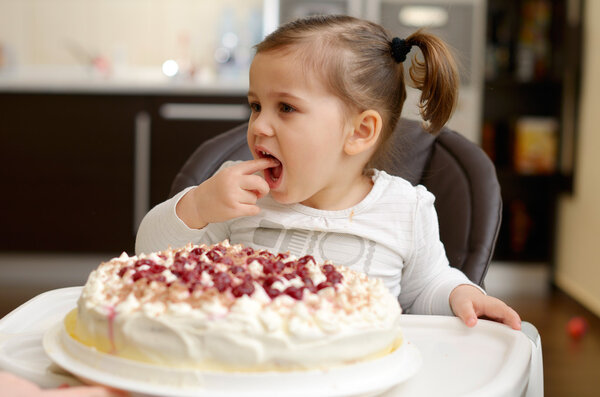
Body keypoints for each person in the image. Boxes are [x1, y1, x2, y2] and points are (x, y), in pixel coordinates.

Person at [136, 15, 521, 330]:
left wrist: (461, 295)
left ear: (359, 131)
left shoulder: (404, 208)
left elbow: (428, 287)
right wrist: (199, 206)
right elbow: (149, 258)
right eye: (256, 106)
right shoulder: (236, 194)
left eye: (285, 108)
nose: (258, 127)